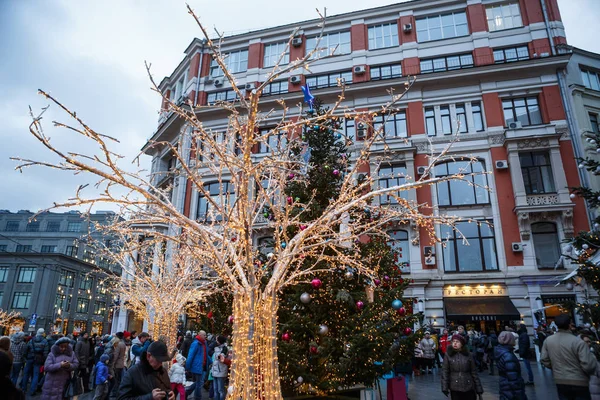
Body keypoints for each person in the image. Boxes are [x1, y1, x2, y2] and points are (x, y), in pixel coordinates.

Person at [541, 313, 597, 400]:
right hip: (579, 380)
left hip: (560, 380)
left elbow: (544, 359)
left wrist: (556, 367)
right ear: (569, 324)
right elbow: (588, 364)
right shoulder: (577, 342)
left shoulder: (548, 340)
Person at [441, 334, 483, 400]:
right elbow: (445, 371)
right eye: (453, 341)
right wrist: (444, 387)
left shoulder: (469, 355)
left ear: (462, 344)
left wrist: (479, 389)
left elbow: (474, 372)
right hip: (455, 387)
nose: (455, 343)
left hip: (469, 386)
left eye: (457, 341)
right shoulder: (448, 355)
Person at [495, 331, 527, 400]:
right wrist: (520, 395)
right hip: (511, 391)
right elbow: (513, 379)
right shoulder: (508, 356)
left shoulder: (501, 352)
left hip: (505, 388)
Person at [21, 327, 49, 395]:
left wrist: (25, 358)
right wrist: (44, 361)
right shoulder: (45, 341)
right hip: (38, 360)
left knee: (26, 374)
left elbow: (26, 350)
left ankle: (23, 389)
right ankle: (32, 390)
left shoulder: (32, 340)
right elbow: (45, 353)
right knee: (36, 375)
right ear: (43, 333)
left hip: (29, 358)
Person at [185, 330, 211, 400]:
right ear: (199, 335)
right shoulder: (196, 343)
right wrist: (187, 366)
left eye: (205, 335)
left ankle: (187, 392)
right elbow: (191, 355)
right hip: (197, 366)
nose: (205, 336)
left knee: (199, 383)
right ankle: (197, 397)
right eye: (204, 335)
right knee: (199, 383)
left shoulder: (204, 343)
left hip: (203, 366)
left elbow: (206, 354)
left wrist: (211, 361)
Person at [211, 335, 231, 400]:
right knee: (215, 389)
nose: (216, 341)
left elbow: (220, 358)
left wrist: (217, 356)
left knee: (220, 390)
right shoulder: (215, 347)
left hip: (221, 371)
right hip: (215, 371)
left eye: (217, 340)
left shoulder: (224, 348)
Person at [581, 334, 600, 400]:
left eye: (589, 342)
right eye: (586, 342)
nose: (588, 344)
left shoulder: (592, 354)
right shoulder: (589, 356)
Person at [111, 332, 128, 398]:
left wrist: (112, 364)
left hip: (117, 364)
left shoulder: (118, 344)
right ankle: (117, 392)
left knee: (116, 379)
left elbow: (116, 355)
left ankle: (115, 393)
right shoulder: (123, 344)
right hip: (121, 364)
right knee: (118, 379)